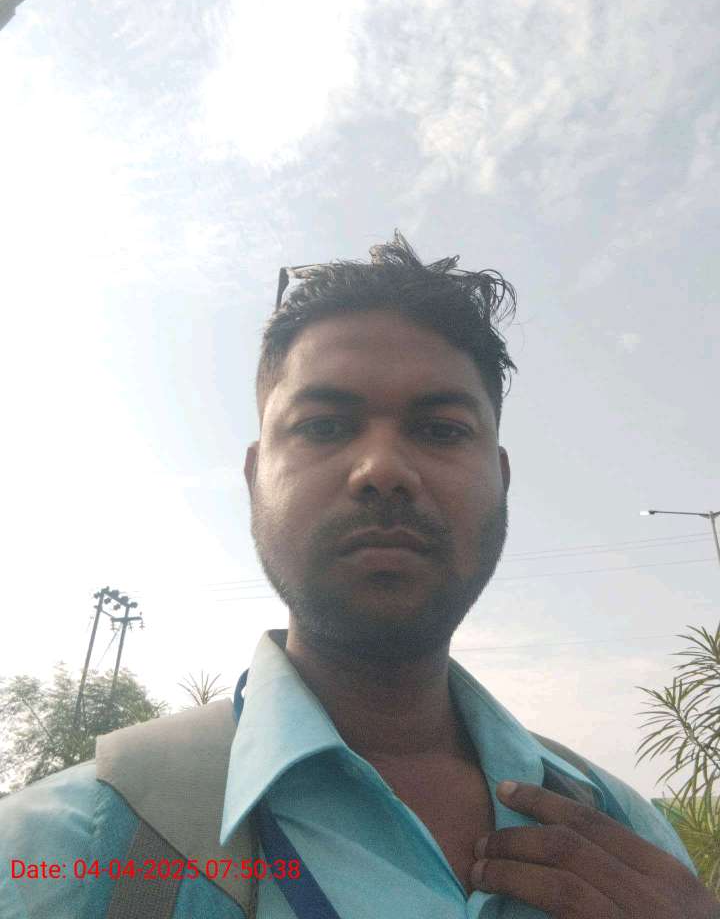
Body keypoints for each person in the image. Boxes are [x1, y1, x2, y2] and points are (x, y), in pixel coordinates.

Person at [1, 230, 715, 919]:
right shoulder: (55, 854)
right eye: (324, 426)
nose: (382, 470)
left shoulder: (632, 841)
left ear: (500, 481)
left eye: (441, 430)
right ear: (254, 478)